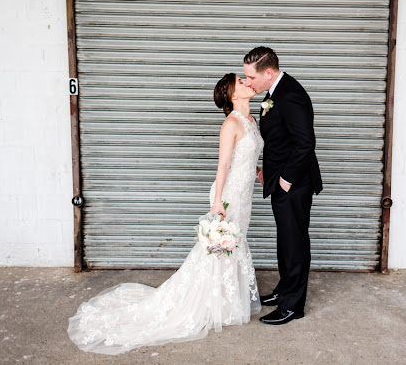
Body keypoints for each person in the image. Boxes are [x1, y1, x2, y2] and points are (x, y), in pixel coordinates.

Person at [67, 73, 263, 354]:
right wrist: (217, 202)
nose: (248, 82)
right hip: (229, 197)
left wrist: (258, 171)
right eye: (241, 81)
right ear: (233, 95)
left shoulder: (252, 121)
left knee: (233, 246)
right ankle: (210, 305)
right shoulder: (230, 123)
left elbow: (247, 156)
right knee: (219, 249)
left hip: (245, 196)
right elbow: (223, 166)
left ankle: (226, 303)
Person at [243, 47, 322, 325]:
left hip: (294, 183)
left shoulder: (291, 96)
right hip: (280, 178)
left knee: (295, 242)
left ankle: (292, 306)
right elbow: (282, 140)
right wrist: (269, 170)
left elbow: (304, 143)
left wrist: (285, 179)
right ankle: (284, 290)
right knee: (285, 240)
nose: (248, 83)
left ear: (268, 72)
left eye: (250, 77)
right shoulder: (275, 92)